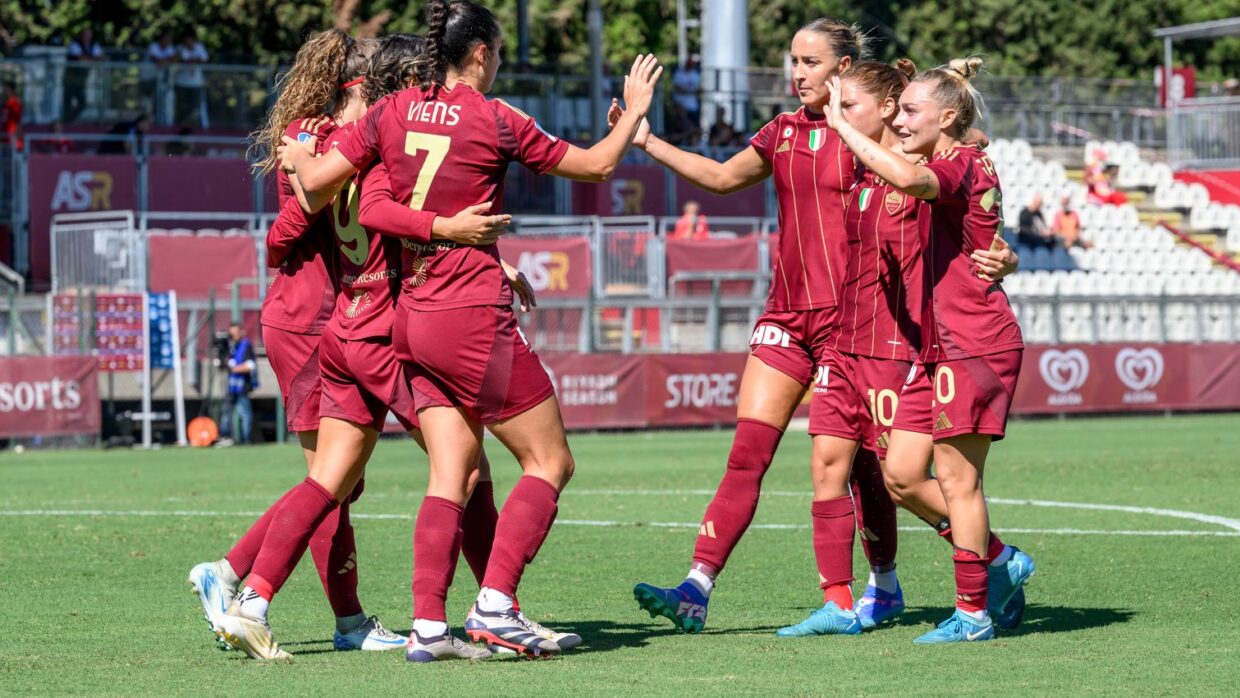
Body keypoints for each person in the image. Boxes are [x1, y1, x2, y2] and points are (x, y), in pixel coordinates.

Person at [284, 0, 663, 660]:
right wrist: (632, 111)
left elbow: (316, 181)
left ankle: (429, 628)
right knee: (550, 461)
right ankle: (496, 605)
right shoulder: (494, 117)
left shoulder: (389, 112)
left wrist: (295, 153)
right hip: (473, 315)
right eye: (498, 57)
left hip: (413, 317)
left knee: (451, 472)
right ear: (481, 54)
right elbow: (599, 166)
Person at [616, 18, 905, 636]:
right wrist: (647, 142)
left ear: (845, 66)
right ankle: (696, 588)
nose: (797, 73)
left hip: (852, 324)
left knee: (861, 467)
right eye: (792, 61)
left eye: (811, 61)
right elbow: (721, 178)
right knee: (747, 455)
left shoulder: (872, 137)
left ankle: (885, 583)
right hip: (786, 317)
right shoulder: (782, 131)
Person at [188, 31, 404, 659]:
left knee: (339, 482)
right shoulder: (313, 138)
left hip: (327, 319)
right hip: (307, 319)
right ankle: (342, 619)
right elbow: (280, 238)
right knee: (329, 481)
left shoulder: (326, 136)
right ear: (358, 86)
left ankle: (229, 573)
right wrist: (313, 189)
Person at [825, 56, 1035, 644]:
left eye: (911, 111)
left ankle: (972, 614)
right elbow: (975, 225)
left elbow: (915, 180)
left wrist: (843, 129)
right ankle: (998, 561)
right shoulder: (952, 151)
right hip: (938, 345)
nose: (898, 120)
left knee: (957, 480)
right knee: (900, 475)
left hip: (974, 341)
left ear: (945, 116)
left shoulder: (957, 162)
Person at [216, 322, 256, 446]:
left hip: (242, 386)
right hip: (231, 386)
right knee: (226, 411)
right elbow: (223, 364)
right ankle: (225, 436)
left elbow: (250, 366)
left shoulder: (246, 345)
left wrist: (234, 369)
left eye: (236, 332)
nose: (234, 336)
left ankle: (246, 439)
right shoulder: (231, 347)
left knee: (245, 413)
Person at [65, 28, 104, 122]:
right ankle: (65, 120)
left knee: (82, 103)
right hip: (70, 78)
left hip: (82, 79)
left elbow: (101, 58)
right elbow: (80, 58)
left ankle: (70, 120)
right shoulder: (75, 45)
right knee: (67, 101)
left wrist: (88, 59)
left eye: (89, 35)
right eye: (85, 35)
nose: (87, 37)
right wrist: (93, 60)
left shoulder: (94, 45)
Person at [174, 30, 209, 127]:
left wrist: (192, 60)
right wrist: (192, 60)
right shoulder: (180, 48)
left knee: (193, 106)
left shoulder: (199, 47)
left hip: (195, 83)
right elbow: (181, 60)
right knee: (181, 105)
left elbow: (203, 59)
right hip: (181, 82)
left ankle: (190, 124)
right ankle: (179, 124)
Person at [142, 31, 176, 110]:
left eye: (170, 39)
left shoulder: (170, 48)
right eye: (167, 38)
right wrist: (165, 61)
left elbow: (174, 58)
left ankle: (156, 118)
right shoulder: (153, 46)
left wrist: (164, 62)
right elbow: (154, 58)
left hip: (160, 79)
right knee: (147, 100)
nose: (168, 40)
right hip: (147, 77)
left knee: (160, 100)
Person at [672, 54, 701, 124]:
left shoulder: (696, 75)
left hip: (692, 106)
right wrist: (690, 91)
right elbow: (677, 88)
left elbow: (699, 90)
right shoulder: (679, 74)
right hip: (680, 106)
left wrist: (686, 91)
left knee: (693, 126)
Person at [1, 82, 20, 149]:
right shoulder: (5, 104)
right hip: (3, 137)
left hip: (11, 139)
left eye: (7, 88)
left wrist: (16, 138)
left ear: (12, 90)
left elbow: (18, 121)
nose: (5, 91)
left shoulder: (15, 103)